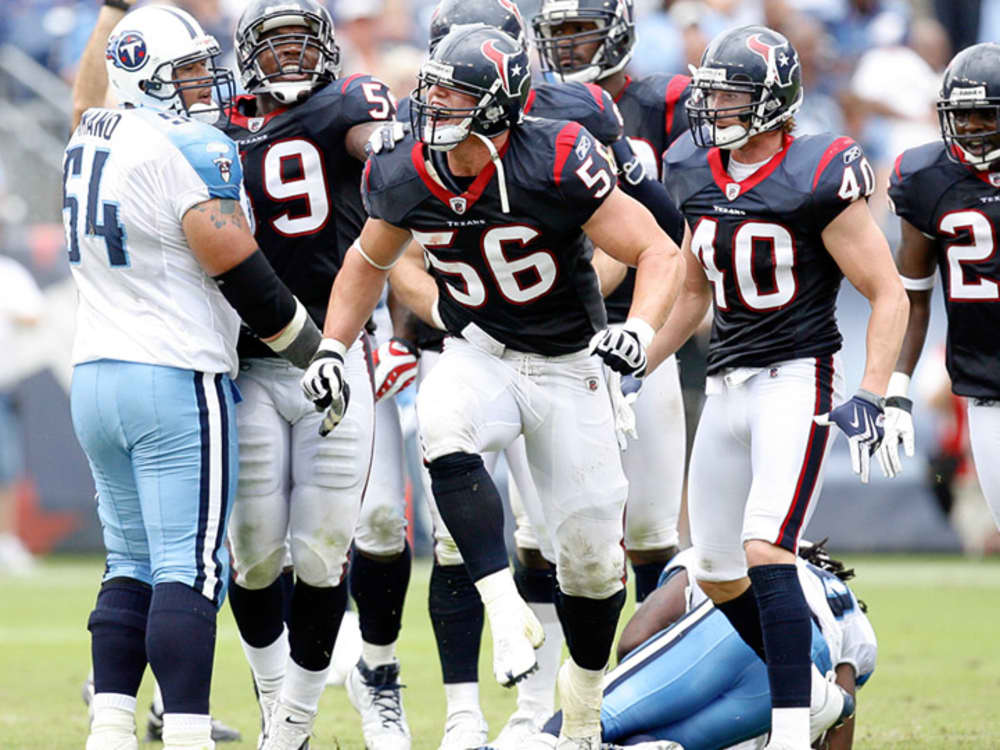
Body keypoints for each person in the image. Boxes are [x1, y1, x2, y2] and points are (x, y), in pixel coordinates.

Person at [302, 23, 684, 750]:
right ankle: (504, 604)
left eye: (453, 92)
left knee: (594, 566)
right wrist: (330, 344)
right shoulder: (406, 166)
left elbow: (656, 249)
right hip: (480, 349)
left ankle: (581, 710)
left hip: (571, 365)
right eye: (433, 88)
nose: (434, 104)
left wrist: (636, 327)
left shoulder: (560, 155)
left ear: (500, 103)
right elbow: (365, 262)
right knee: (444, 427)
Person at [71, 1, 403, 747]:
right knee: (202, 565)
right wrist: (312, 349)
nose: (201, 88)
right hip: (192, 371)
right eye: (183, 74)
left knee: (135, 561)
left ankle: (115, 727)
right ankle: (189, 726)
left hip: (97, 369)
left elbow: (85, 104)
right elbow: (246, 277)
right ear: (144, 81)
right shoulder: (192, 149)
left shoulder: (92, 138)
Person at [646, 24, 907, 750]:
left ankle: (789, 730)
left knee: (767, 549)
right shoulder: (693, 167)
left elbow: (887, 292)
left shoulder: (817, 170)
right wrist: (640, 363)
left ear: (774, 101)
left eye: (732, 94)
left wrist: (875, 389)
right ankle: (819, 693)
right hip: (726, 384)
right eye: (713, 92)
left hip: (797, 377)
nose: (716, 107)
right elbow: (694, 294)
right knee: (717, 571)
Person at [532, 0, 692, 604]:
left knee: (652, 529)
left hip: (647, 319)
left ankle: (647, 671)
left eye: (581, 30)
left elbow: (673, 225)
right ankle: (539, 695)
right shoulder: (531, 107)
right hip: (557, 336)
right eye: (559, 33)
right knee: (547, 531)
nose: (568, 46)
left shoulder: (668, 104)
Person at [530, 540, 874, 750]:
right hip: (808, 674)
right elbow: (839, 727)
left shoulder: (733, 551)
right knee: (653, 744)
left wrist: (656, 693)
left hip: (741, 629)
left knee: (591, 718)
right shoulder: (852, 618)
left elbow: (635, 637)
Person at [882, 41, 1000, 534]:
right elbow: (913, 294)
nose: (970, 127)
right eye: (962, 114)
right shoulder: (925, 178)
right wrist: (896, 389)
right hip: (986, 388)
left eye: (982, 114)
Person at [0, 252, 42, 575]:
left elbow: (33, 314)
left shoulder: (9, 272)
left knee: (6, 467)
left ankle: (7, 541)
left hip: (2, 386)